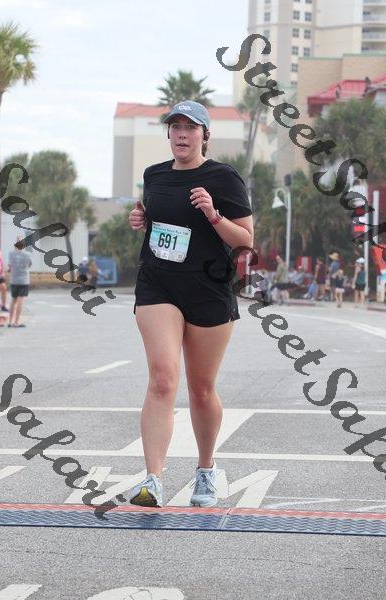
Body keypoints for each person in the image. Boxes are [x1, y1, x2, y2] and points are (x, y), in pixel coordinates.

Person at [127, 100, 253, 508]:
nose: (182, 133)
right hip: (158, 284)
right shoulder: (154, 175)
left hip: (208, 289)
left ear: (204, 135)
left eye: (190, 127)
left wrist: (214, 215)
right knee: (163, 378)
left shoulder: (223, 177)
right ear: (168, 133)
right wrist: (141, 221)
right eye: (175, 126)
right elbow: (160, 224)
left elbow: (245, 240)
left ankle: (205, 468)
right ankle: (153, 480)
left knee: (201, 389)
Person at [7, 236, 32, 327]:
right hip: (23, 280)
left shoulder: (11, 254)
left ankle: (10, 321)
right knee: (20, 300)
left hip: (14, 280)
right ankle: (16, 322)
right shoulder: (27, 254)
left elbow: (9, 267)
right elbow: (29, 265)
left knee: (13, 300)